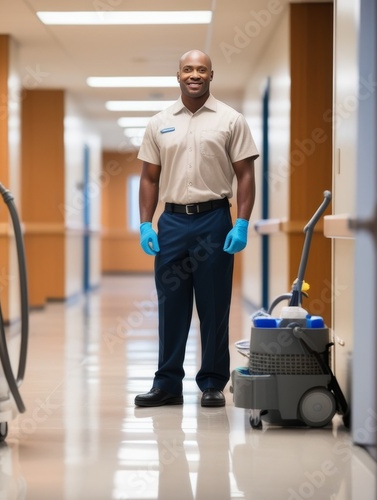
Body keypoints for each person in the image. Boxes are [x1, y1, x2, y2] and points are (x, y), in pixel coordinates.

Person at [135, 49, 258, 408]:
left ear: (211, 75)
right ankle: (168, 384)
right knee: (170, 305)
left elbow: (245, 175)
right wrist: (145, 223)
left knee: (214, 304)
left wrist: (241, 223)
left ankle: (213, 382)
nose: (194, 75)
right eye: (188, 69)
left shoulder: (231, 119)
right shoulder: (159, 122)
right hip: (172, 222)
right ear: (178, 75)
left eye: (201, 69)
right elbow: (149, 178)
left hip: (215, 221)